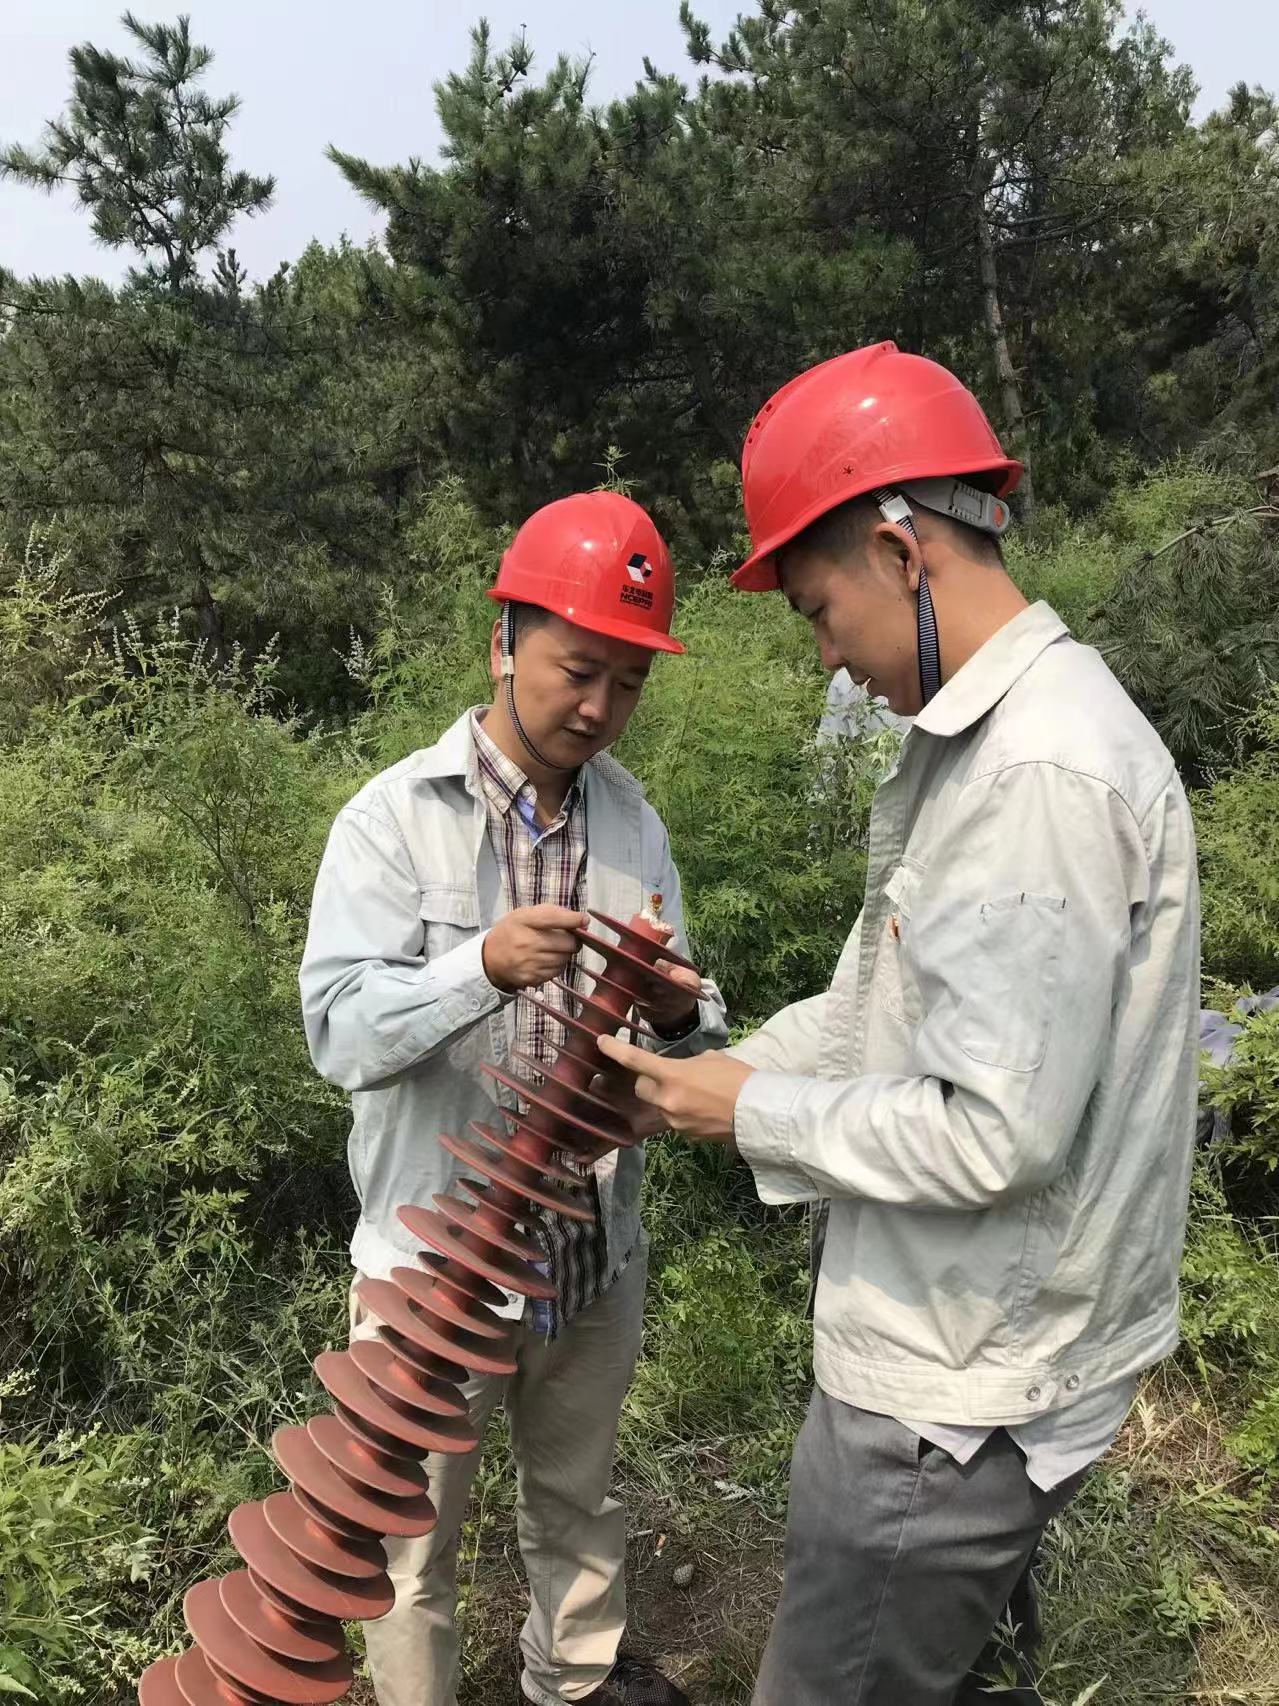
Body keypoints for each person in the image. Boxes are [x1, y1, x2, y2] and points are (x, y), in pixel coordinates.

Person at [598, 342, 1201, 1705]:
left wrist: (737, 1108)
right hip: (977, 1355)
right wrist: (713, 1068)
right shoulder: (978, 741)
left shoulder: (1035, 773)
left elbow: (994, 1133)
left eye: (818, 609)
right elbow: (885, 1010)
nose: (825, 653)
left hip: (950, 1397)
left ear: (897, 547)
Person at [300, 490, 727, 1706]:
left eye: (628, 681)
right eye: (577, 668)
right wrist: (476, 966)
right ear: (504, 640)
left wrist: (686, 1016)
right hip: (433, 1268)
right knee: (405, 1545)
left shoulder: (634, 819)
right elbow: (337, 1029)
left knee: (579, 1500)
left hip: (590, 1254)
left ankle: (572, 1683)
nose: (599, 707)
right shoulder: (391, 821)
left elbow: (699, 1015)